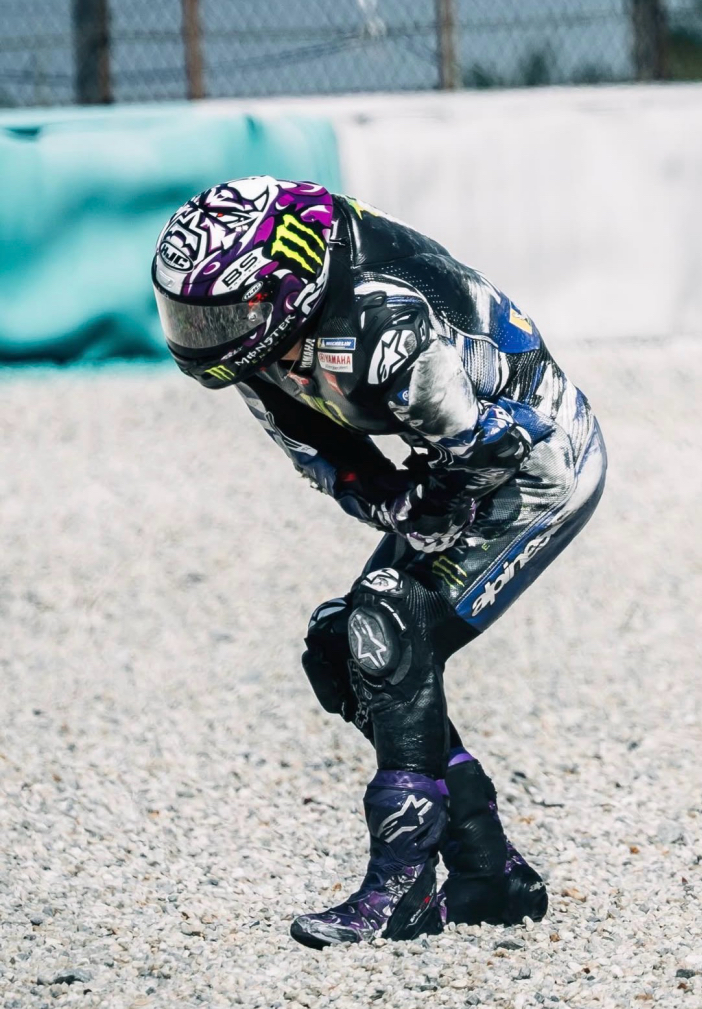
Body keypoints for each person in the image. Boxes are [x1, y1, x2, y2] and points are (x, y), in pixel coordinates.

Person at [152, 176, 607, 950]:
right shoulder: (258, 348)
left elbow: (482, 451)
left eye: (223, 313)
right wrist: (396, 505)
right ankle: (490, 873)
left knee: (388, 629)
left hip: (537, 463)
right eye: (188, 315)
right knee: (342, 648)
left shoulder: (383, 316)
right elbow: (334, 462)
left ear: (284, 287)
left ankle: (403, 886)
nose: (205, 335)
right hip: (464, 464)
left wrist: (417, 510)